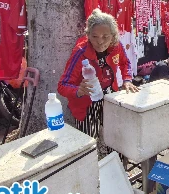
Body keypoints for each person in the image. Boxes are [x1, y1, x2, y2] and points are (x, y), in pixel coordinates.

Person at [58, 9, 139, 140]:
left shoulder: (116, 46)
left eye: (105, 36)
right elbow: (62, 85)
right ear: (88, 35)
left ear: (113, 36)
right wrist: (78, 90)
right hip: (87, 103)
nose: (100, 41)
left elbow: (125, 63)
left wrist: (127, 80)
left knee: (116, 138)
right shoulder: (80, 52)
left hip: (110, 97)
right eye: (95, 36)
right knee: (88, 142)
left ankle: (116, 159)